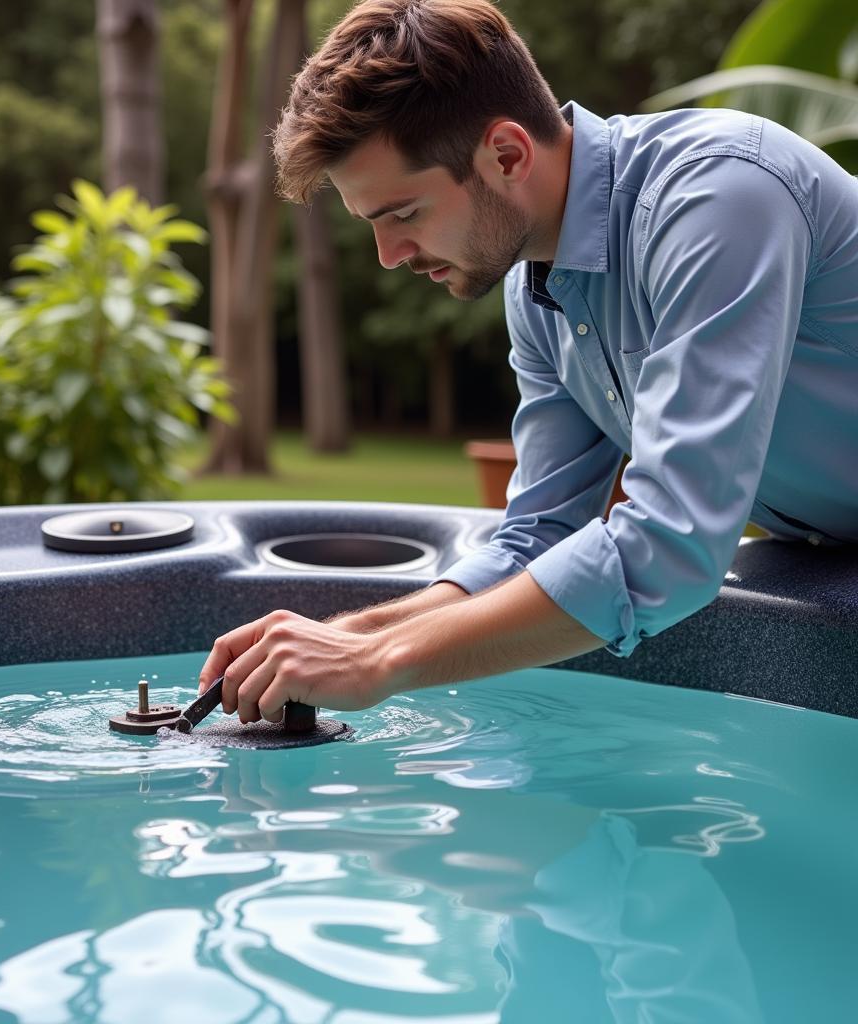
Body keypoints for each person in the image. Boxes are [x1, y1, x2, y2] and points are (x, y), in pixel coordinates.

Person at [199, 0, 858, 722]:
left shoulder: (719, 195)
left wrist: (377, 664)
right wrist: (345, 635)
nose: (388, 258)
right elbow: (537, 538)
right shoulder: (537, 290)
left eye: (404, 214)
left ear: (507, 154)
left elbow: (671, 545)